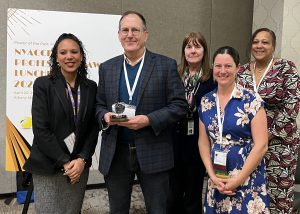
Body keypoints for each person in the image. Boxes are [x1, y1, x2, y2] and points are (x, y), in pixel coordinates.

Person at [95, 11, 187, 214]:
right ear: (118, 34)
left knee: (157, 210)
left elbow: (180, 105)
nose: (130, 35)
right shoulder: (107, 68)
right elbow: (99, 104)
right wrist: (104, 116)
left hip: (154, 149)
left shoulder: (165, 65)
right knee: (117, 210)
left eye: (135, 30)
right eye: (125, 30)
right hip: (116, 152)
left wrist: (149, 120)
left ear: (145, 34)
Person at [23, 33, 99, 214]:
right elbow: (41, 130)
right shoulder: (43, 85)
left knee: (71, 210)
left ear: (81, 56)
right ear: (56, 57)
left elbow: (93, 127)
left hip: (78, 167)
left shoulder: (91, 87)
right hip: (49, 165)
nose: (69, 56)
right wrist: (66, 163)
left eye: (74, 51)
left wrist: (82, 159)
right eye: (63, 52)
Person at [198, 46, 270, 213]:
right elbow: (203, 142)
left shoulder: (251, 100)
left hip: (246, 177)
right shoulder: (206, 101)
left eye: (228, 66)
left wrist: (238, 179)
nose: (222, 71)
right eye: (218, 66)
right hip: (217, 176)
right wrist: (212, 176)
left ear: (238, 68)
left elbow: (262, 145)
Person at [237, 28, 300, 213]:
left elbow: (292, 106)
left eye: (265, 42)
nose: (259, 45)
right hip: (248, 144)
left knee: (277, 197)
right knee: (249, 194)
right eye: (256, 41)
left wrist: (266, 136)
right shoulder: (241, 72)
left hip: (279, 145)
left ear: (273, 46)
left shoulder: (286, 68)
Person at [168, 32, 216, 214]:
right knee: (172, 195)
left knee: (193, 195)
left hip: (199, 143)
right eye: (189, 46)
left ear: (204, 50)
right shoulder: (175, 73)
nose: (193, 51)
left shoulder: (212, 77)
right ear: (184, 51)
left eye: (197, 46)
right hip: (174, 142)